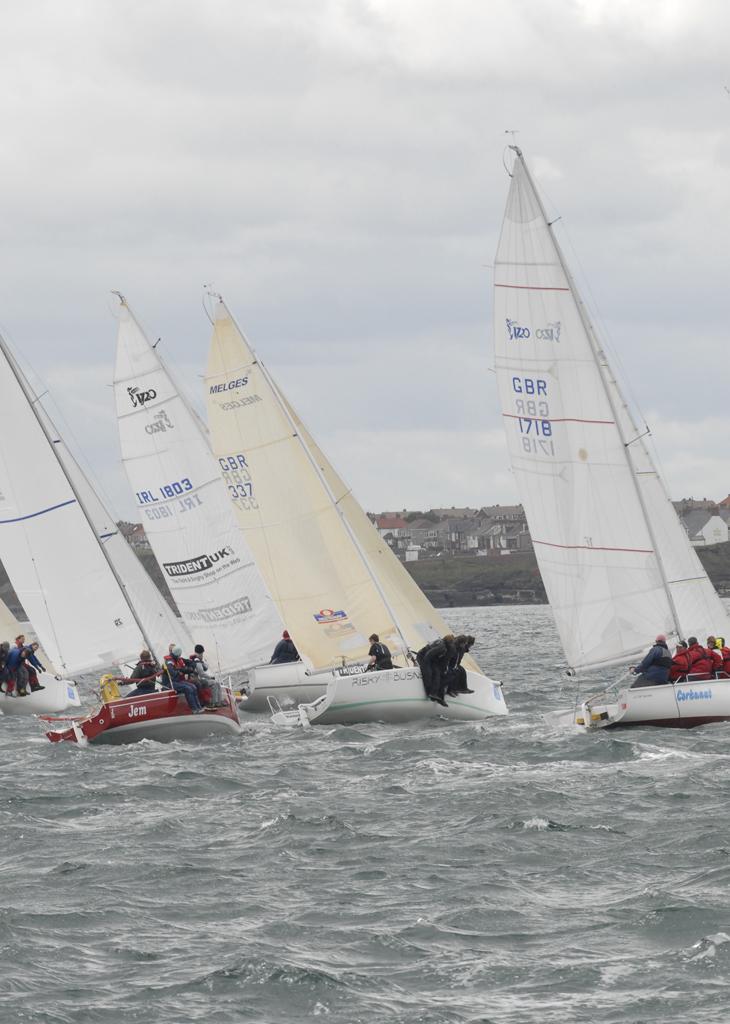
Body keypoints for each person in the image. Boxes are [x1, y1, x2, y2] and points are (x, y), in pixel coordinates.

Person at [165, 646, 204, 713]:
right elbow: (173, 673)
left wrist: (186, 670)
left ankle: (198, 707)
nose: (179, 656)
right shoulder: (169, 661)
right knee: (188, 688)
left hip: (178, 681)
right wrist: (180, 671)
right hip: (171, 683)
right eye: (179, 655)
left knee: (193, 687)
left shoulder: (177, 659)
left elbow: (183, 668)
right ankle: (194, 709)